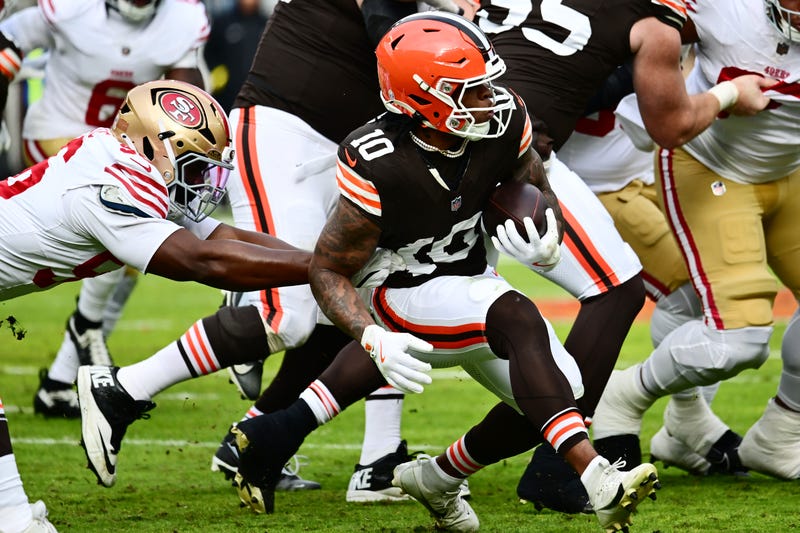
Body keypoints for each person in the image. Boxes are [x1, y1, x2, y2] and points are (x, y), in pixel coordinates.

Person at [209, 13, 662, 532]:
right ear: (421, 97)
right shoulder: (376, 157)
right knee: (517, 315)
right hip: (397, 290)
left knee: (562, 394)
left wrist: (548, 232)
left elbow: (534, 181)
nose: (488, 99)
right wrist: (371, 335)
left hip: (465, 280)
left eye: (486, 85)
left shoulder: (506, 117)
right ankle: (597, 476)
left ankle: (437, 477)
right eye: (468, 91)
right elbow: (328, 270)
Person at [457, 0, 776, 512]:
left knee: (425, 302)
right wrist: (729, 90)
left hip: (610, 169)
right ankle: (581, 437)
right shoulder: (650, 21)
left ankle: (681, 425)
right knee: (455, 312)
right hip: (578, 176)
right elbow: (648, 108)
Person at [591, 0, 800, 481]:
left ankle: (781, 433)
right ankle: (626, 393)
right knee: (739, 338)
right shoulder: (721, 7)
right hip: (710, 164)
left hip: (788, 170)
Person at [0, 0, 211, 419]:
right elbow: (10, 43)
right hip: (58, 136)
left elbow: (190, 97)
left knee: (138, 239)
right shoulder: (69, 8)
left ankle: (62, 378)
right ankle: (87, 327)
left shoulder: (181, 18)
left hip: (125, 151)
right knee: (129, 219)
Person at [204, 0, 268, 112]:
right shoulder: (223, 22)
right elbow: (209, 52)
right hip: (226, 97)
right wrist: (218, 73)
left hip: (257, 98)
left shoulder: (266, 24)